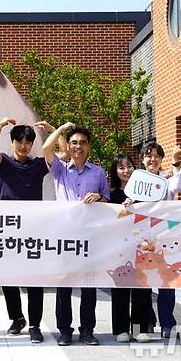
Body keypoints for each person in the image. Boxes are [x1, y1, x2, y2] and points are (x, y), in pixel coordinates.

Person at [42, 122, 109, 346]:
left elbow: (108, 200)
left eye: (82, 142)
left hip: (90, 236)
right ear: (68, 147)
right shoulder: (59, 169)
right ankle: (64, 330)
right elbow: (46, 149)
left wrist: (99, 197)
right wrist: (59, 129)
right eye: (74, 143)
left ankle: (87, 330)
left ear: (88, 146)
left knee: (89, 286)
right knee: (64, 286)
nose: (78, 146)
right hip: (65, 236)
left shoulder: (98, 172)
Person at [0, 118, 49, 344]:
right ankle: (17, 318)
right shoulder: (3, 163)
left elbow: (64, 155)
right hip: (7, 230)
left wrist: (52, 130)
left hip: (33, 231)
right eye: (19, 141)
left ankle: (34, 325)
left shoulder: (38, 165)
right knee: (8, 278)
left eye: (28, 142)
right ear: (12, 142)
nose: (23, 146)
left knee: (34, 280)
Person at [137, 142, 181, 339]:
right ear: (142, 159)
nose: (152, 159)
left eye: (157, 156)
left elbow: (179, 185)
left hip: (165, 237)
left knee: (166, 282)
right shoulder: (137, 181)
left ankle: (167, 322)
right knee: (144, 281)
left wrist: (175, 163)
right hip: (142, 238)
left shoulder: (168, 179)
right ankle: (148, 321)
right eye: (148, 155)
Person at [108, 154, 153, 343]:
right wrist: (121, 209)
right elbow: (108, 219)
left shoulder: (146, 193)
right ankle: (121, 329)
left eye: (129, 166)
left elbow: (155, 213)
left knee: (142, 287)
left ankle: (141, 328)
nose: (126, 170)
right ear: (115, 171)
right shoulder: (111, 195)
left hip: (143, 246)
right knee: (121, 287)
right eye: (121, 167)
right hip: (119, 247)